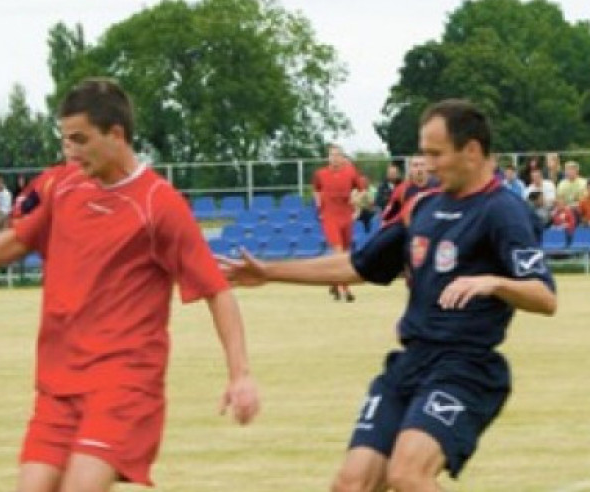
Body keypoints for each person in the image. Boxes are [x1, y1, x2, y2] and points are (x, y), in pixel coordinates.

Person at [0, 77, 260, 492]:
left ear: (116, 135)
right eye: (65, 139)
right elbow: (18, 239)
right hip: (58, 382)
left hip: (122, 383)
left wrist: (240, 375)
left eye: (80, 139)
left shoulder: (158, 204)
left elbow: (216, 290)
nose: (70, 150)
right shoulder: (63, 186)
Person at [219, 99, 557, 492]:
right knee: (351, 484)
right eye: (423, 153)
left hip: (465, 370)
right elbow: (359, 265)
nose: (427, 165)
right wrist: (269, 272)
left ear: (471, 150)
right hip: (409, 364)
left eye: (436, 154)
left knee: (408, 476)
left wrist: (494, 283)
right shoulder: (422, 206)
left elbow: (544, 296)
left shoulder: (503, 212)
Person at [312, 144, 362, 302]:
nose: (334, 158)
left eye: (338, 155)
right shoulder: (320, 174)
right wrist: (319, 207)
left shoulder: (351, 172)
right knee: (339, 251)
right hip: (330, 216)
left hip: (346, 216)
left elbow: (361, 190)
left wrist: (357, 206)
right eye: (332, 155)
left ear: (342, 157)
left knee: (344, 252)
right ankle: (345, 289)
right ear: (328, 158)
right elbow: (316, 190)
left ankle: (334, 282)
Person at [381, 155, 438, 223]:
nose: (419, 169)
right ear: (410, 169)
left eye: (422, 165)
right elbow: (388, 215)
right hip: (408, 225)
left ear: (428, 167)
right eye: (415, 165)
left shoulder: (439, 186)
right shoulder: (401, 189)